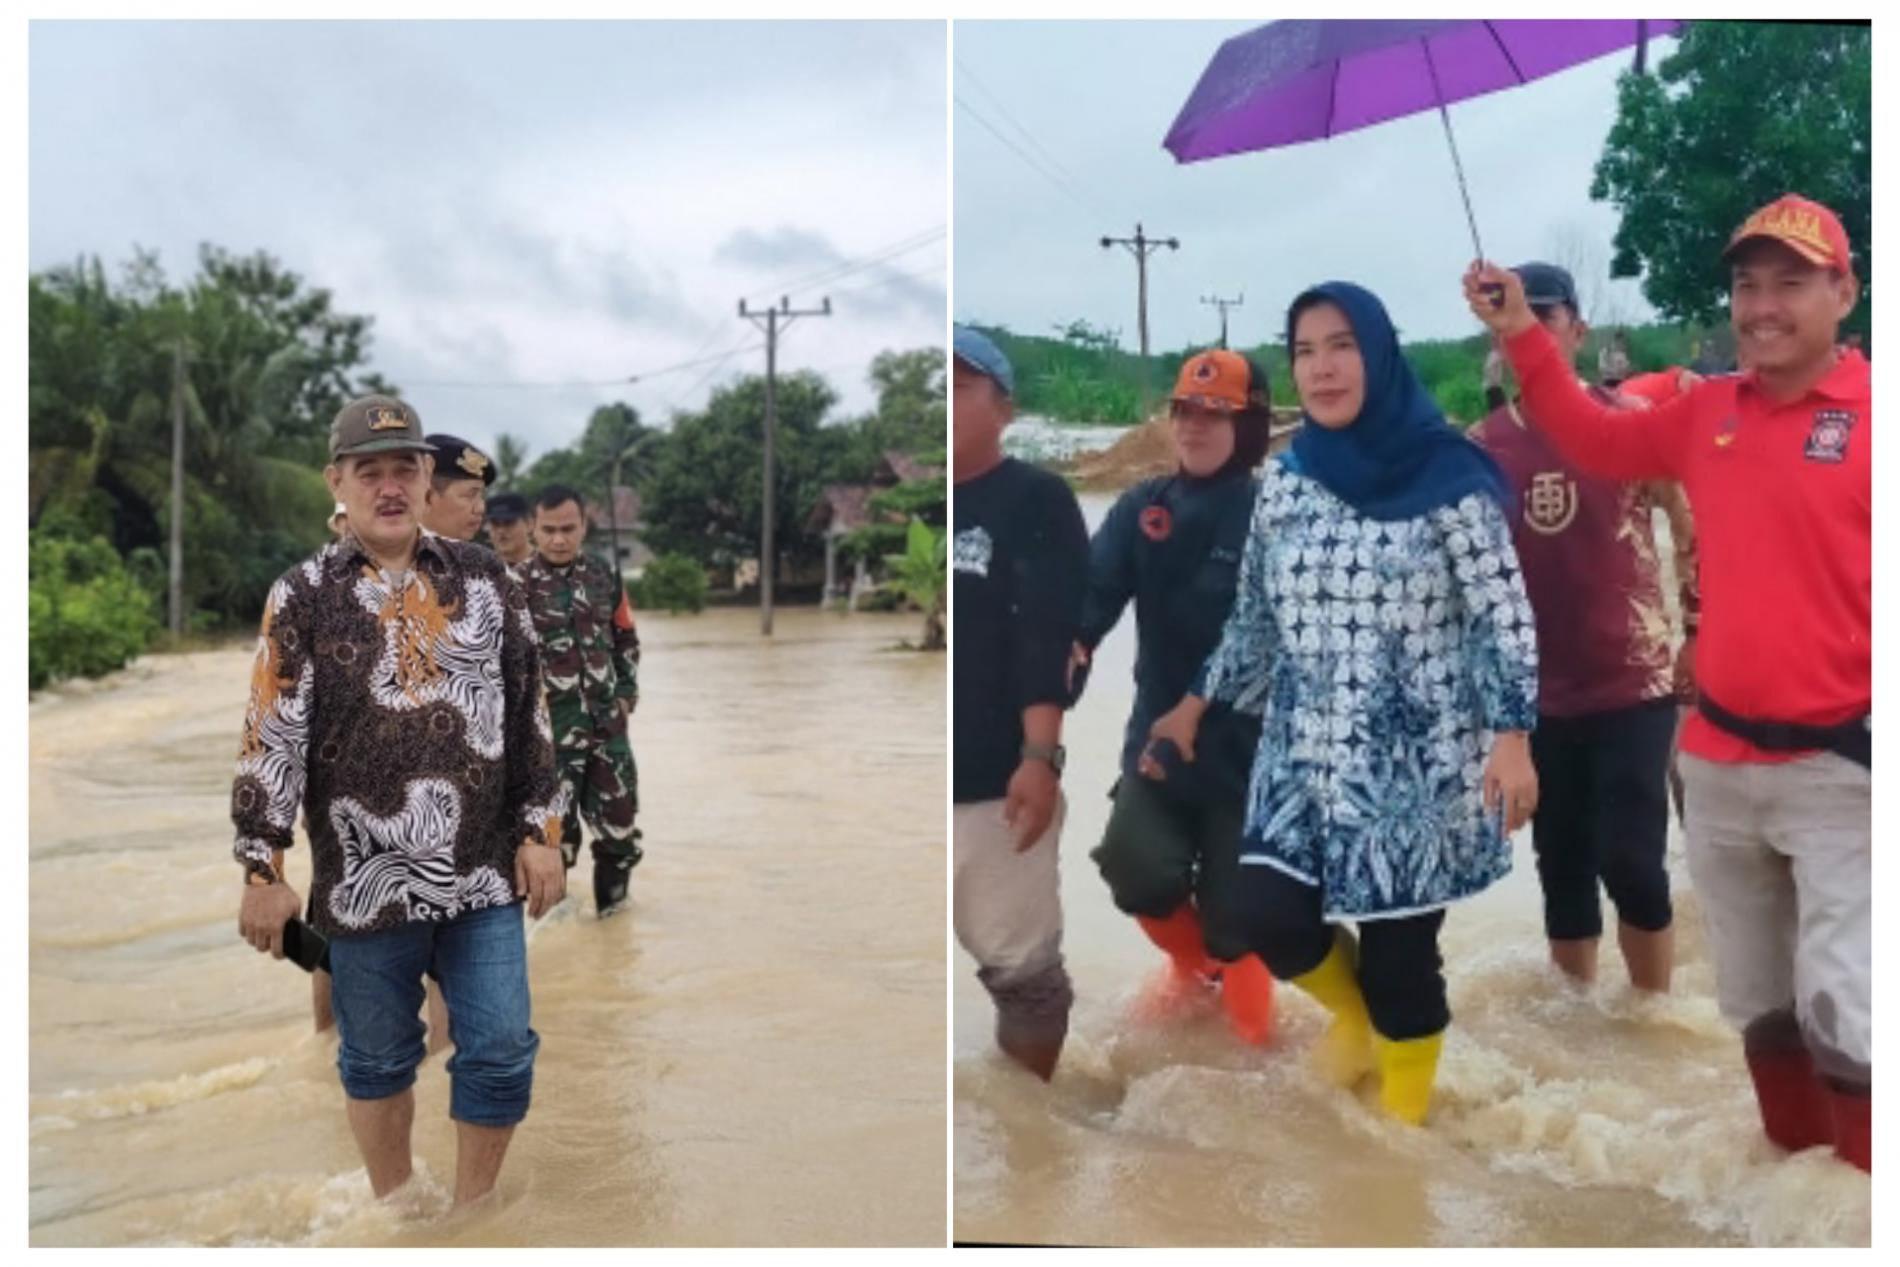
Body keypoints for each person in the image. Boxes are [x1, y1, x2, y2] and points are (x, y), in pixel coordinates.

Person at [1465, 192, 1870, 1172]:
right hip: (1719, 760)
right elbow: (1586, 435)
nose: (1762, 304)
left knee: (1845, 999)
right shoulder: (1703, 413)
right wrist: (1520, 330)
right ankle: (1789, 1194)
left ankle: (1863, 1208)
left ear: (1843, 291)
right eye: (1745, 283)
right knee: (1758, 1002)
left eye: (1789, 282)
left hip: (1844, 767)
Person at [1149, 283, 1539, 1124]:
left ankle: (1401, 1146)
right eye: (1304, 351)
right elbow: (1255, 618)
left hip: (1417, 761)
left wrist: (1513, 733)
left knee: (1403, 958)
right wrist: (1194, 704)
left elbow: (1500, 613)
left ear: (1379, 352)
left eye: (1341, 346)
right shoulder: (1286, 483)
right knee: (1264, 913)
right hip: (1303, 751)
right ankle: (1356, 1023)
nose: (1321, 368)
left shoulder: (1451, 476)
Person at [233, 393, 568, 1206]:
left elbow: (530, 710)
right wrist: (260, 868)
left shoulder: (485, 579)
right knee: (377, 1058)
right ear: (337, 484)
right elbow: (271, 734)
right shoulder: (303, 594)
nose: (389, 486)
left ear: (425, 481)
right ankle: (398, 1209)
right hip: (363, 884)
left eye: (405, 469)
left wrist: (543, 830)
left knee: (499, 1046)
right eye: (369, 470)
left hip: (484, 875)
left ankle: (472, 1213)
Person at [1468, 262, 1697, 994]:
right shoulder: (1480, 447)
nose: (1527, 329)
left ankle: (1655, 1019)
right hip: (1536, 701)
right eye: (1512, 317)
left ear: (1577, 330)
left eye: (1545, 316)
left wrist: (1699, 632)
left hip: (1634, 681)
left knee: (1633, 860)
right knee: (1561, 867)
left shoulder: (1631, 423)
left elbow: (1693, 530)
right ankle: (1581, 1031)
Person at [1070, 348, 1276, 1044]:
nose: (1194, 426)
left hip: (1248, 755)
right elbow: (1092, 597)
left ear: (1247, 425)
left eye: (1215, 414)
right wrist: (1070, 648)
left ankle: (1253, 1062)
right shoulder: (1140, 507)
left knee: (1238, 915)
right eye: (1185, 410)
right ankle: (1198, 971)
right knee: (1132, 866)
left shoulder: (1274, 515)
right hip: (1157, 741)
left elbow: (1275, 639)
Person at [952, 325, 1089, 1081]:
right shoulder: (915, 503)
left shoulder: (1035, 497)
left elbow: (1049, 635)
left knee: (1022, 972)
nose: (946, 403)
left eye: (963, 387)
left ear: (1005, 409)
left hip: (991, 778)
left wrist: (1040, 757)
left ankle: (1031, 1134)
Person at [518, 484, 643, 917]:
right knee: (554, 845)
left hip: (609, 735)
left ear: (583, 527)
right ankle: (558, 936)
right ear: (532, 529)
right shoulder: (515, 586)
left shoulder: (605, 575)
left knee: (620, 836)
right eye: (548, 529)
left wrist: (627, 693)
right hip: (549, 746)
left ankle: (613, 925)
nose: (558, 539)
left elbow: (625, 636)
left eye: (568, 529)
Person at [420, 434, 495, 543]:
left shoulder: (478, 559)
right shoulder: (394, 556)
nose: (480, 509)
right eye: (470, 495)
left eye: (481, 496)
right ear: (427, 496)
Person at [485, 492, 534, 573]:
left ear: (529, 524)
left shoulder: (551, 568)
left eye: (509, 523)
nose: (501, 531)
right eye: (495, 524)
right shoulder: (479, 571)